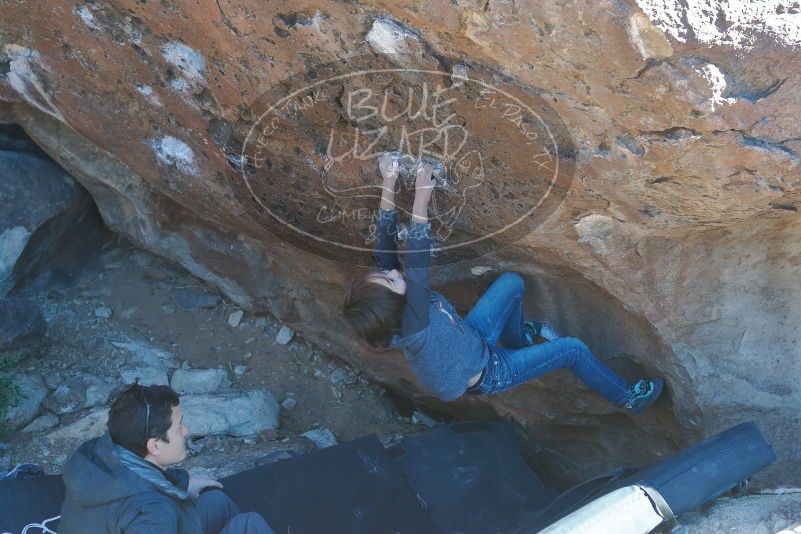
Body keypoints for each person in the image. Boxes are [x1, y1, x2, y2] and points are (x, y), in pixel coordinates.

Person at [343, 154, 664, 413]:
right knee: (572, 350)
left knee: (512, 283)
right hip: (490, 372)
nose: (392, 272)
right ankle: (628, 398)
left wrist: (389, 180)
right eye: (389, 279)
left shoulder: (399, 306)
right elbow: (416, 256)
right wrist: (421, 199)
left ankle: (516, 340)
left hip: (471, 339)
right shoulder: (413, 323)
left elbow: (384, 251)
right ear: (395, 303)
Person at [59, 384, 274, 534]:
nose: (186, 431)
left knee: (215, 502)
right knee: (249, 526)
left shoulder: (95, 457)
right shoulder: (154, 512)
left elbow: (134, 477)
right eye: (179, 426)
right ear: (154, 445)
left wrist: (178, 484)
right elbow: (147, 511)